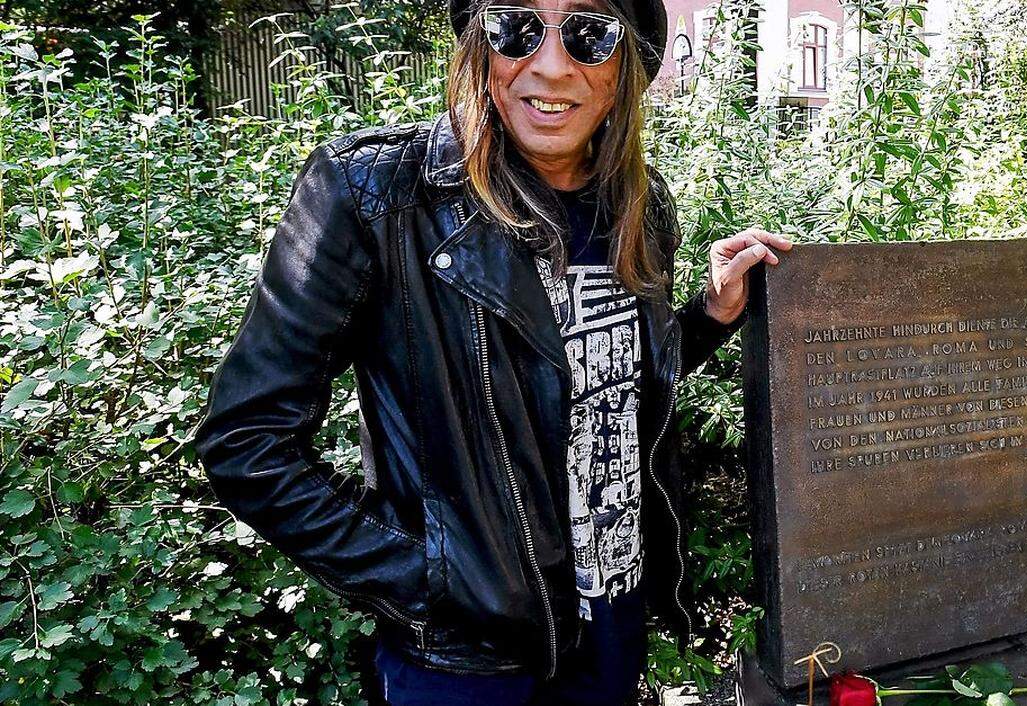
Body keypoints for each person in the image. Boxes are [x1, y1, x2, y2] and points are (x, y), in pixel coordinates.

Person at [192, 1, 793, 703]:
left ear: (625, 64)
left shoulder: (638, 203)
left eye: (588, 33)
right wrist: (437, 579)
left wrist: (710, 315)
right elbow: (247, 441)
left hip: (611, 625)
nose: (550, 64)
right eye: (517, 26)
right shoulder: (376, 194)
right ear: (480, 46)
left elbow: (598, 386)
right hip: (466, 666)